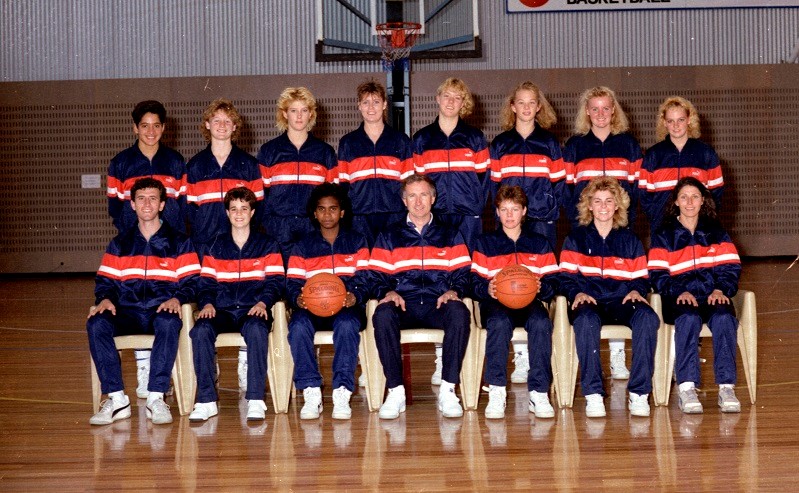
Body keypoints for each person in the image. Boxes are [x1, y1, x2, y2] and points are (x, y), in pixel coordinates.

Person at [87, 177, 200, 426]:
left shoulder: (180, 242)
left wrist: (177, 298)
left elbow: (192, 281)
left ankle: (156, 397)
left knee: (169, 322)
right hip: (127, 311)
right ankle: (117, 400)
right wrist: (104, 299)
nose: (146, 204)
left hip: (161, 310)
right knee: (96, 323)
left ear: (162, 205)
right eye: (141, 199)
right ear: (132, 205)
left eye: (152, 199)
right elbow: (105, 281)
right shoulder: (120, 244)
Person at [369, 174, 472, 420]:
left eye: (424, 194)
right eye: (412, 196)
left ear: (433, 198)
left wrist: (453, 290)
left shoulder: (450, 234)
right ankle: (395, 392)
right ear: (404, 201)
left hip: (438, 303)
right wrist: (388, 292)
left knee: (459, 311)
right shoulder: (388, 235)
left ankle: (448, 389)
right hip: (404, 304)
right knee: (382, 313)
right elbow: (374, 277)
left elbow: (464, 274)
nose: (418, 202)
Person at [106, 100, 188, 399]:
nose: (150, 131)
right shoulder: (121, 162)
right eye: (144, 125)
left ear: (164, 128)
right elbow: (116, 206)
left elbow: (180, 206)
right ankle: (144, 366)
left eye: (156, 125)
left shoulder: (176, 162)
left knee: (164, 302)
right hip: (135, 244)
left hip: (169, 246)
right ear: (135, 128)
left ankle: (160, 370)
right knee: (136, 298)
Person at [559, 177, 660, 418]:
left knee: (647, 318)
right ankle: (593, 394)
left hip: (621, 301)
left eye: (609, 201)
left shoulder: (630, 241)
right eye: (597, 201)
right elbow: (564, 278)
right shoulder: (575, 239)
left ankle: (639, 393)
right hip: (589, 302)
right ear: (589, 206)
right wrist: (577, 292)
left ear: (617, 206)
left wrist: (637, 288)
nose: (603, 207)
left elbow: (641, 277)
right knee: (585, 322)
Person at [411, 77, 489, 384]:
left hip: (468, 217)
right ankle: (441, 354)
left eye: (458, 97)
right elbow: (415, 185)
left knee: (467, 278)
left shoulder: (475, 138)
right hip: (436, 218)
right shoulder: (422, 139)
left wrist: (474, 208)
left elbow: (486, 181)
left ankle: (469, 355)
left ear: (463, 103)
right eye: (447, 95)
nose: (451, 101)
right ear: (438, 98)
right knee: (436, 279)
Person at [564, 86, 644, 381]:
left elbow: (636, 191)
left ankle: (618, 351)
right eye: (594, 108)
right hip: (586, 229)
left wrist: (625, 223)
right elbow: (566, 191)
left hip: (620, 227)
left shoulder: (629, 146)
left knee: (619, 285)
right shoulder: (574, 146)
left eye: (605, 108)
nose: (600, 114)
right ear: (587, 112)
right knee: (591, 288)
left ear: (614, 111)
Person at [488, 81, 564, 383]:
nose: (527, 107)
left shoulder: (550, 143)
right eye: (521, 102)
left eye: (532, 102)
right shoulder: (500, 143)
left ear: (539, 107)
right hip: (510, 219)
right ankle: (519, 355)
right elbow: (492, 186)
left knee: (537, 284)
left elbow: (560, 186)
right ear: (512, 107)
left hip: (541, 221)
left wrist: (547, 208)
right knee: (511, 282)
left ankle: (534, 354)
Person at [186, 98, 264, 392]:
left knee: (245, 301)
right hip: (207, 246)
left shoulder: (248, 164)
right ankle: (211, 362)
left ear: (235, 127)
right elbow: (189, 211)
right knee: (210, 307)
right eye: (215, 121)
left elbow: (260, 208)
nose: (221, 126)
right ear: (207, 126)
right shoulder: (194, 166)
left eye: (227, 121)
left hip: (241, 246)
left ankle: (246, 364)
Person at [188, 187, 285, 422]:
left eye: (244, 209)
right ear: (227, 213)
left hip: (253, 309)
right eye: (233, 209)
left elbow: (275, 282)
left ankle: (255, 400)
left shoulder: (268, 244)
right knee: (200, 330)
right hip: (221, 310)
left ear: (252, 212)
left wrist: (263, 302)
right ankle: (206, 400)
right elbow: (206, 283)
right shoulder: (215, 246)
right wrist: (208, 303)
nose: (239, 214)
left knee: (256, 329)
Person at [648, 177, 742, 414]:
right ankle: (687, 388)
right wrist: (679, 291)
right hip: (679, 299)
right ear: (676, 202)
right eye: (684, 197)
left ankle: (726, 386)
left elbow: (730, 267)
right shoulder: (663, 235)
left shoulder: (717, 233)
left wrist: (721, 289)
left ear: (703, 201)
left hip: (712, 296)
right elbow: (657, 274)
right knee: (688, 319)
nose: (689, 202)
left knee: (723, 318)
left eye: (695, 197)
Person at [470, 185, 559, 419]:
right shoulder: (485, 242)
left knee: (541, 323)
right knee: (498, 323)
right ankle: (497, 390)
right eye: (504, 209)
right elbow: (473, 282)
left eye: (515, 209)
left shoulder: (539, 243)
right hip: (497, 302)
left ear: (524, 211)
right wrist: (485, 288)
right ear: (497, 213)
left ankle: (539, 392)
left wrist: (543, 287)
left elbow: (554, 282)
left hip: (530, 301)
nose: (510, 215)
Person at [285, 183, 370, 420]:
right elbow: (292, 283)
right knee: (298, 326)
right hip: (312, 308)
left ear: (342, 212)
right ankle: (311, 390)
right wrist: (297, 298)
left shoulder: (357, 241)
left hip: (345, 307)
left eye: (333, 209)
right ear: (314, 213)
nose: (327, 214)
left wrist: (356, 296)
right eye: (321, 209)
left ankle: (342, 391)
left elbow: (365, 279)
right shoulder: (302, 246)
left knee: (346, 325)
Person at [258, 86, 338, 257]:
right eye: (294, 110)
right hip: (278, 228)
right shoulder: (269, 151)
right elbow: (261, 196)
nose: (299, 116)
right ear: (285, 114)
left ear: (311, 114)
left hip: (312, 227)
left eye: (304, 110)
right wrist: (270, 223)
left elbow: (333, 197)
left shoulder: (324, 152)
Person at [336, 80, 415, 248]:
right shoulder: (348, 143)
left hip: (394, 214)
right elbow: (343, 186)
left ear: (385, 104)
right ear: (359, 105)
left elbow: (409, 184)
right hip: (359, 216)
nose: (371, 108)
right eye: (366, 102)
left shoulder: (401, 141)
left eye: (376, 102)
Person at [639, 96, 724, 235]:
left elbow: (716, 193)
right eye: (670, 121)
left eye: (681, 120)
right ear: (664, 123)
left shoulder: (705, 153)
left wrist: (705, 219)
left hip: (698, 228)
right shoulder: (653, 155)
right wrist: (657, 218)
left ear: (689, 120)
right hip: (662, 228)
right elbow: (644, 196)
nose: (676, 125)